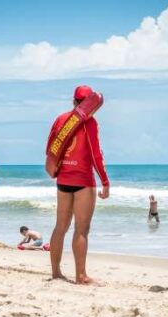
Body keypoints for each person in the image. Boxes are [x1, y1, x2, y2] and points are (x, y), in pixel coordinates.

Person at [47, 85, 110, 285]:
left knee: (60, 227)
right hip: (83, 181)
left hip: (63, 180)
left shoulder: (60, 119)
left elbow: (50, 149)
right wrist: (105, 181)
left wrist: (55, 170)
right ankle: (81, 276)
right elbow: (95, 154)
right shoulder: (89, 122)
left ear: (74, 101)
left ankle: (56, 272)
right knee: (81, 230)